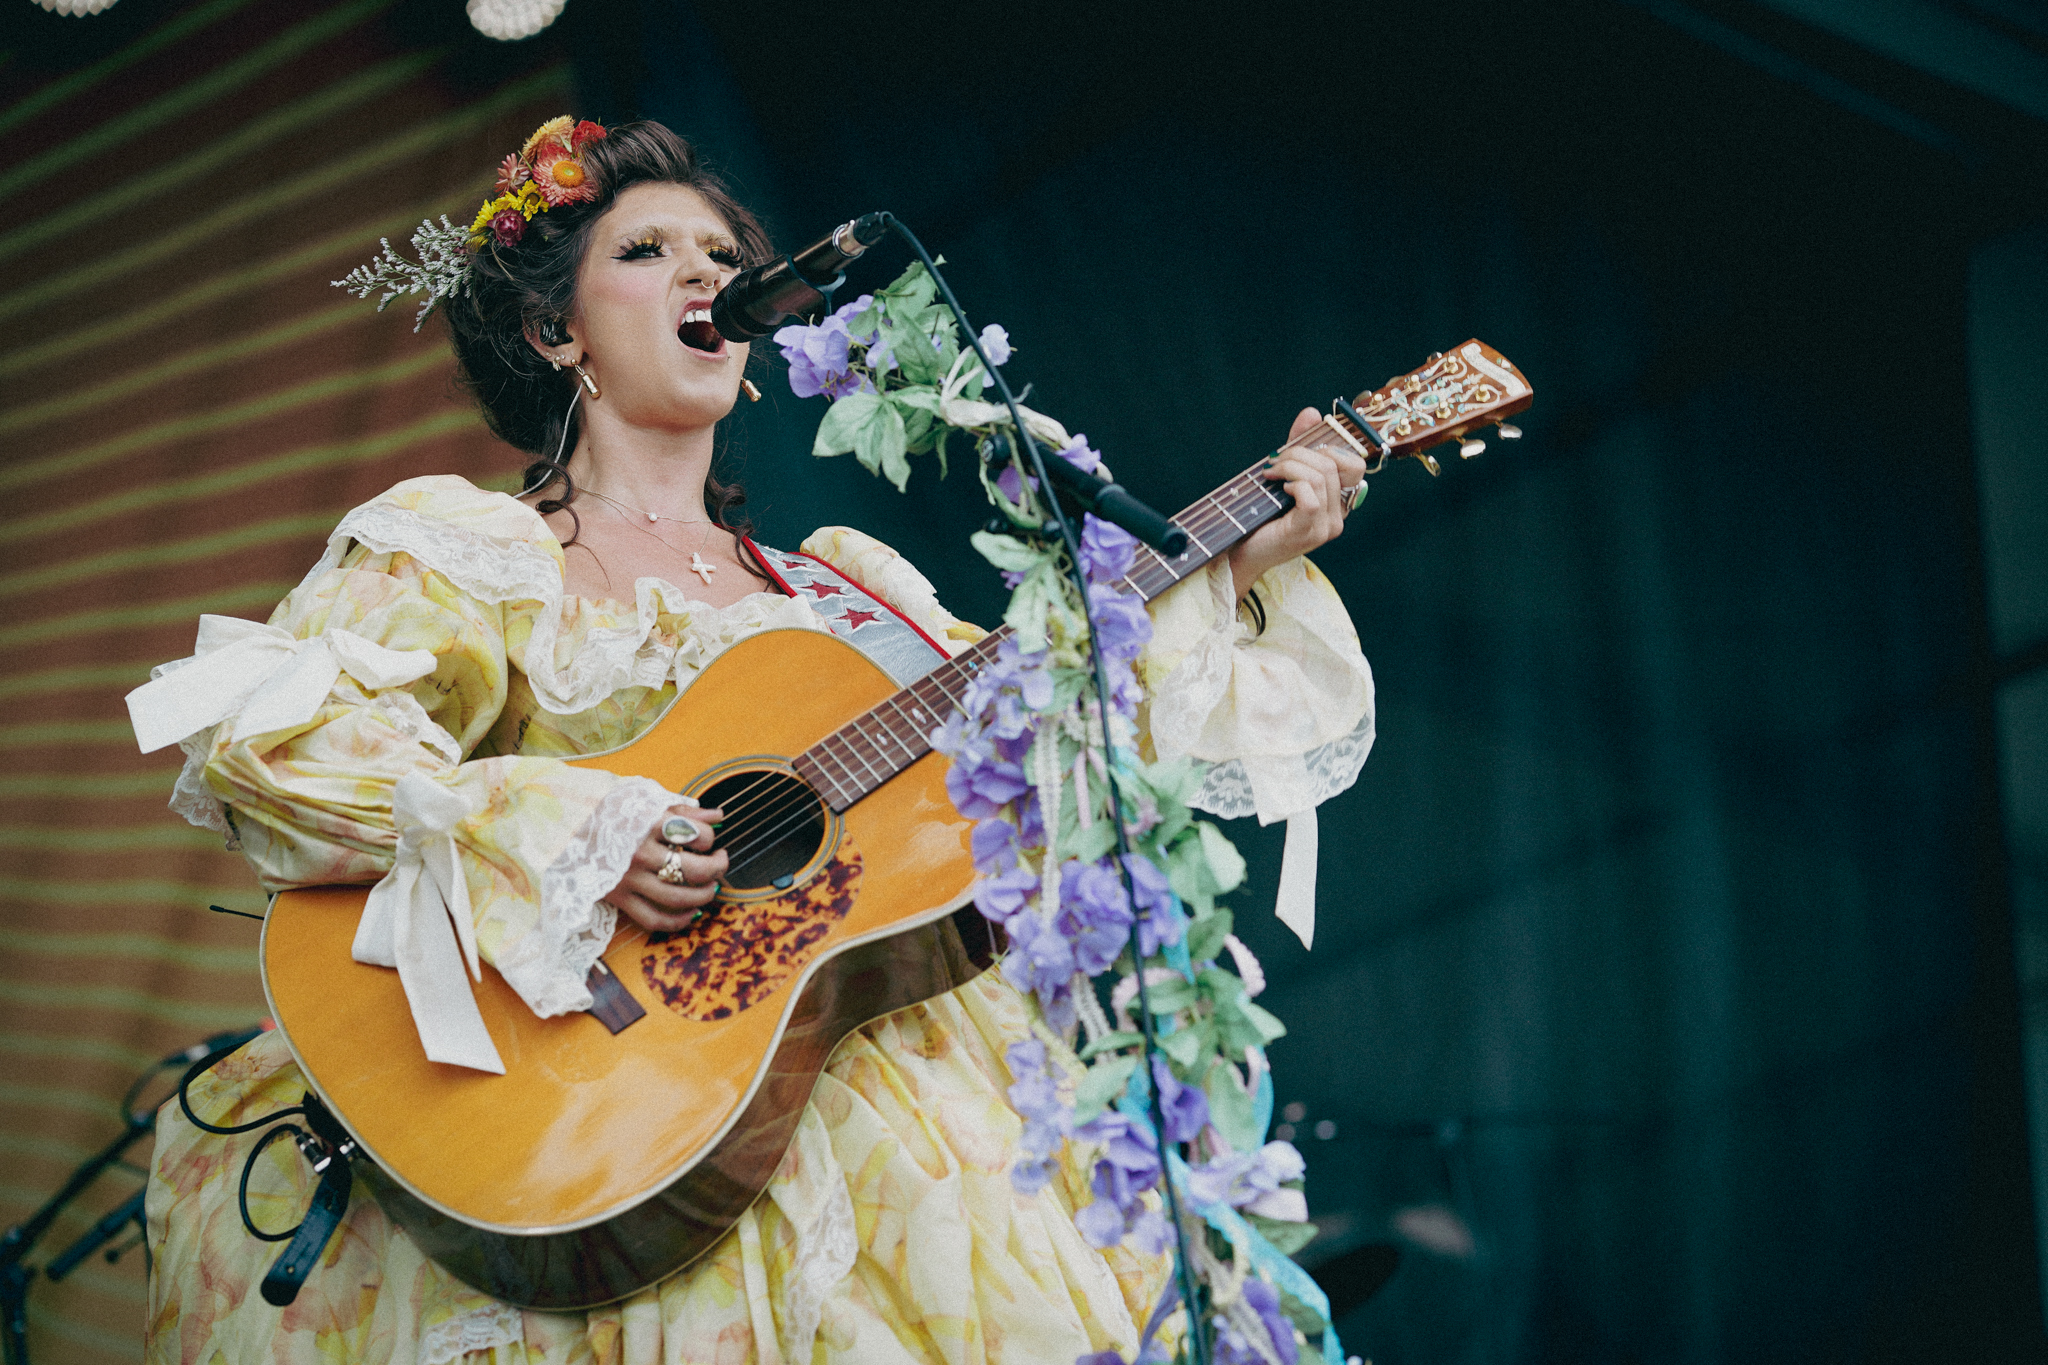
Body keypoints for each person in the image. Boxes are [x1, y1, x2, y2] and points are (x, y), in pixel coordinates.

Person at [132, 119, 1374, 1365]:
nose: (704, 275)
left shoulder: (840, 590)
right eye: (648, 249)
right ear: (551, 331)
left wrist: (1233, 561)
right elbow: (284, 750)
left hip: (896, 1096)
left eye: (721, 252)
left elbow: (1053, 734)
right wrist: (579, 834)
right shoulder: (476, 549)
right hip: (591, 1099)